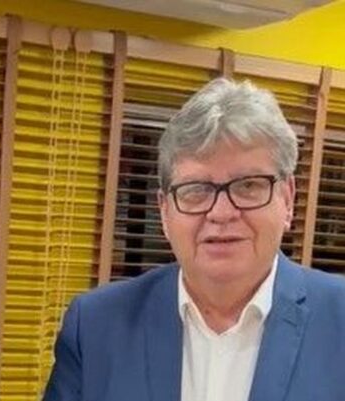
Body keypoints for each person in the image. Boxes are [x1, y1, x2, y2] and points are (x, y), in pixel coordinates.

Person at [43, 78, 345, 401]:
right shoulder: (95, 326)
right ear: (164, 211)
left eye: (248, 186)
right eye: (196, 190)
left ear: (288, 199)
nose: (222, 212)